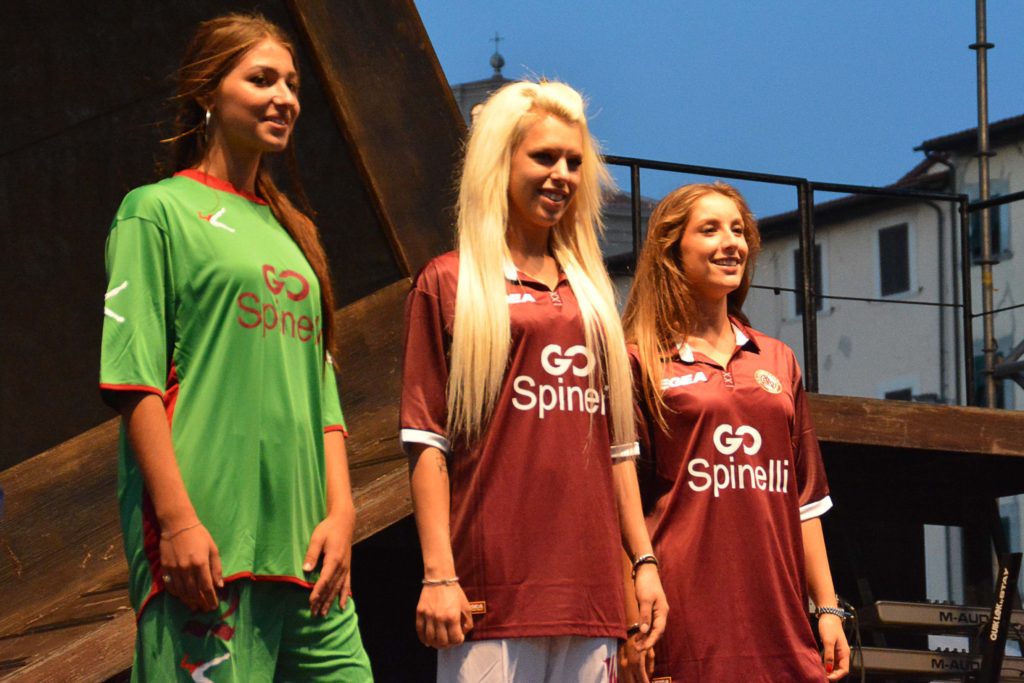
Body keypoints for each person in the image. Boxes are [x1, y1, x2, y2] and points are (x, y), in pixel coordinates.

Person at [99, 13, 372, 681]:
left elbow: (322, 397)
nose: (284, 97)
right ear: (207, 92)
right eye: (261, 79)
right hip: (208, 546)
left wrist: (342, 513)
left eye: (292, 84)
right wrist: (178, 523)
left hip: (308, 554)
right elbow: (134, 381)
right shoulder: (154, 210)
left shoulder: (296, 234)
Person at [399, 80, 668, 682]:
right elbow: (426, 441)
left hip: (591, 596)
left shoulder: (593, 296)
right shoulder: (449, 283)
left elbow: (619, 452)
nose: (562, 175)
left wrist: (643, 564)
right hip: (489, 590)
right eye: (544, 157)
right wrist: (438, 574)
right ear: (501, 161)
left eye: (573, 161)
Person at [620, 182, 850, 682]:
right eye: (710, 230)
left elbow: (805, 501)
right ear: (671, 250)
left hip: (780, 622)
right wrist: (631, 618)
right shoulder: (638, 359)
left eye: (739, 230)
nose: (731, 243)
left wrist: (828, 608)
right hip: (682, 617)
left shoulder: (778, 359)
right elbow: (619, 502)